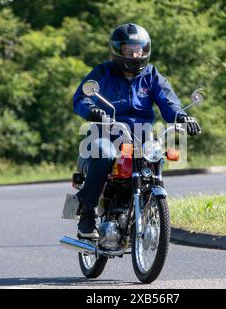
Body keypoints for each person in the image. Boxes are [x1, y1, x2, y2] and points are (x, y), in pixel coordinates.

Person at [72, 23, 201, 239]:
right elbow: (81, 97)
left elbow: (168, 101)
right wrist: (92, 110)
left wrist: (181, 116)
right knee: (105, 154)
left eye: (138, 49)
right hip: (107, 133)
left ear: (146, 50)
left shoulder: (151, 75)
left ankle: (145, 205)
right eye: (128, 49)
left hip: (142, 135)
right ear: (117, 50)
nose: (134, 54)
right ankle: (87, 213)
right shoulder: (103, 72)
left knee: (156, 157)